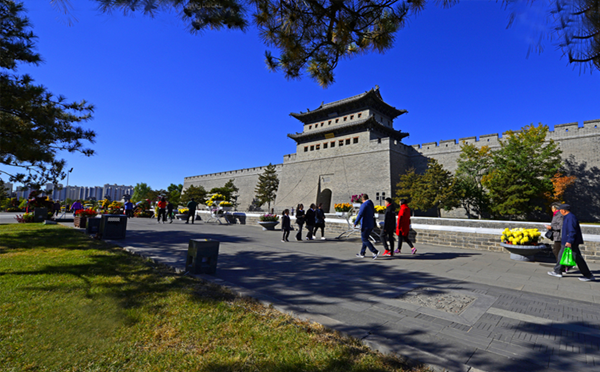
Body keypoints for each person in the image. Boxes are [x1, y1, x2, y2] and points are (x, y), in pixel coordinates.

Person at [548, 204, 595, 281]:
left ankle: (588, 275)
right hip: (566, 241)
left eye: (560, 210)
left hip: (570, 241)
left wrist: (569, 241)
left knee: (577, 258)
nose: (559, 211)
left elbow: (572, 231)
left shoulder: (570, 218)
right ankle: (558, 271)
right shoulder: (567, 217)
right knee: (561, 255)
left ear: (564, 210)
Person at [354, 194, 379, 259]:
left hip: (365, 224)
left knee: (364, 239)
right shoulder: (371, 204)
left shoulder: (364, 205)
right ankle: (362, 253)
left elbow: (360, 214)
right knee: (365, 239)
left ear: (362, 199)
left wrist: (356, 222)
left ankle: (375, 251)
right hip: (371, 224)